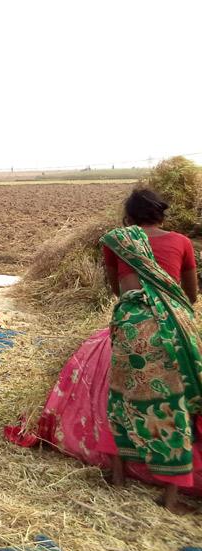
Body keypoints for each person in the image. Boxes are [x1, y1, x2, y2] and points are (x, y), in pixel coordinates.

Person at [101, 187, 201, 513]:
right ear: (162, 215)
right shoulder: (182, 242)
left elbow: (116, 289)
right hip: (172, 328)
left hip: (131, 325)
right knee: (174, 403)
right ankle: (170, 498)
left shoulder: (117, 241)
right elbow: (191, 295)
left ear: (128, 218)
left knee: (122, 396)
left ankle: (118, 476)